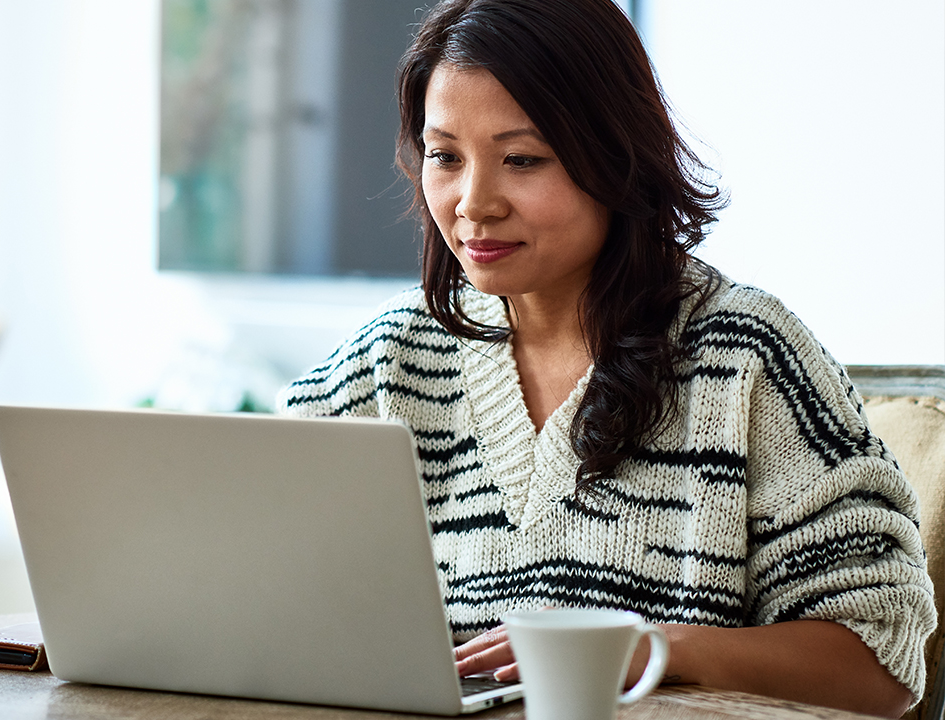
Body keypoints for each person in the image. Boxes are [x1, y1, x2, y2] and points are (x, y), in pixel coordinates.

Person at [276, 0, 935, 716]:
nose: (474, 203)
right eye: (445, 156)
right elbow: (238, 567)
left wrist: (653, 650)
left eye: (522, 159)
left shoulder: (747, 355)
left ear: (616, 155)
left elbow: (881, 664)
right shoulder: (391, 355)